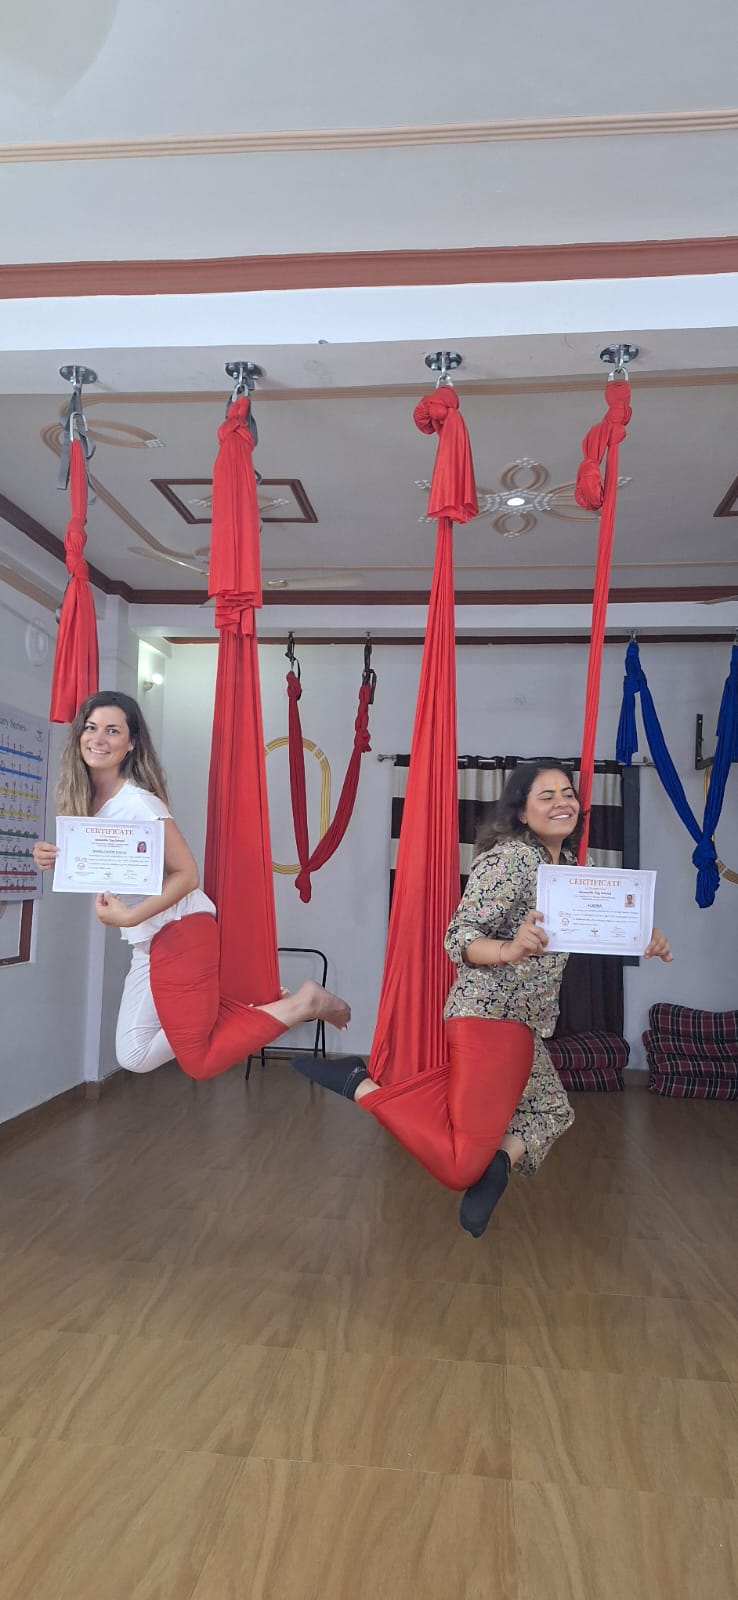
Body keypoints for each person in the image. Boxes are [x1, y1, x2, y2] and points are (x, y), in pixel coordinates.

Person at [292, 761, 672, 1238]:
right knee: (458, 1168)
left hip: (524, 1022)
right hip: (489, 1014)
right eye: (547, 795)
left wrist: (642, 936)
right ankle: (359, 1084)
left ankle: (497, 1166)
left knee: (551, 1110)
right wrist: (510, 948)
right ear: (522, 812)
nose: (562, 802)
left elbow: (601, 927)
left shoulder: (579, 869)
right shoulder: (510, 859)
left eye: (568, 793)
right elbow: (459, 937)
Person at [33, 690, 350, 1075]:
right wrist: (54, 858)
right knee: (133, 1055)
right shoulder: (88, 802)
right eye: (91, 727)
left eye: (112, 730)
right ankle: (234, 1006)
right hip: (149, 941)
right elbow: (110, 866)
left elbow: (187, 875)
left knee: (199, 1061)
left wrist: (129, 917)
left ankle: (304, 1004)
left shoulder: (139, 803)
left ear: (131, 743)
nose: (98, 738)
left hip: (179, 932)